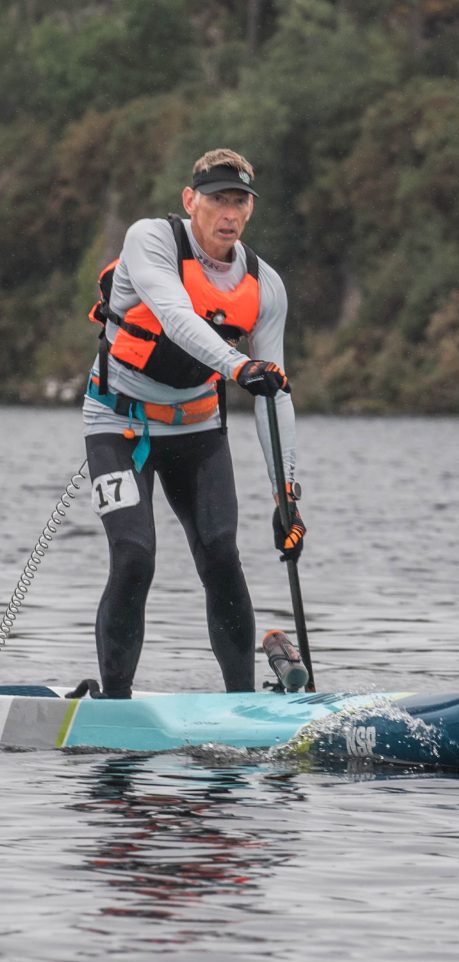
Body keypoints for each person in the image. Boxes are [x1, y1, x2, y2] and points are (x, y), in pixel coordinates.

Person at [82, 148, 305, 698]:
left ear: (249, 210)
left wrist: (286, 495)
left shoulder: (264, 285)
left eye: (239, 202)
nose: (228, 213)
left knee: (221, 553)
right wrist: (238, 365)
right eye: (216, 199)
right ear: (190, 201)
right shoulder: (150, 240)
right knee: (134, 556)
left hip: (198, 429)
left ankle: (243, 705)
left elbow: (273, 394)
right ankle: (115, 704)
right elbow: (178, 317)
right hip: (118, 423)